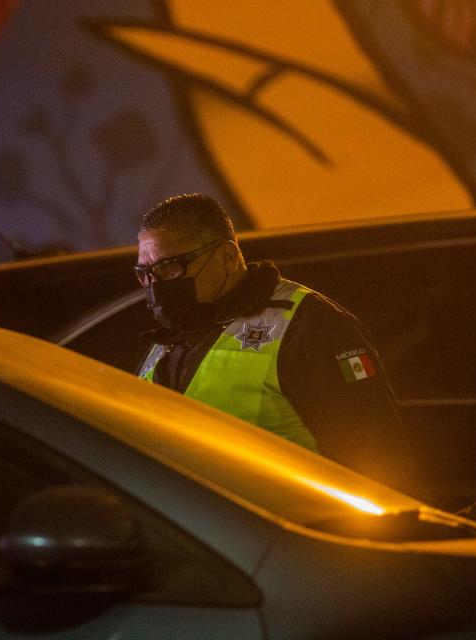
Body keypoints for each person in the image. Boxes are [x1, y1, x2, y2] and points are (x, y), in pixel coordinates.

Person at [135, 193, 414, 490]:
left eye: (170, 266)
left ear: (227, 258)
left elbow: (379, 463)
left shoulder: (309, 324)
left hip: (287, 531)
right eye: (145, 273)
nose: (157, 285)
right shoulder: (169, 340)